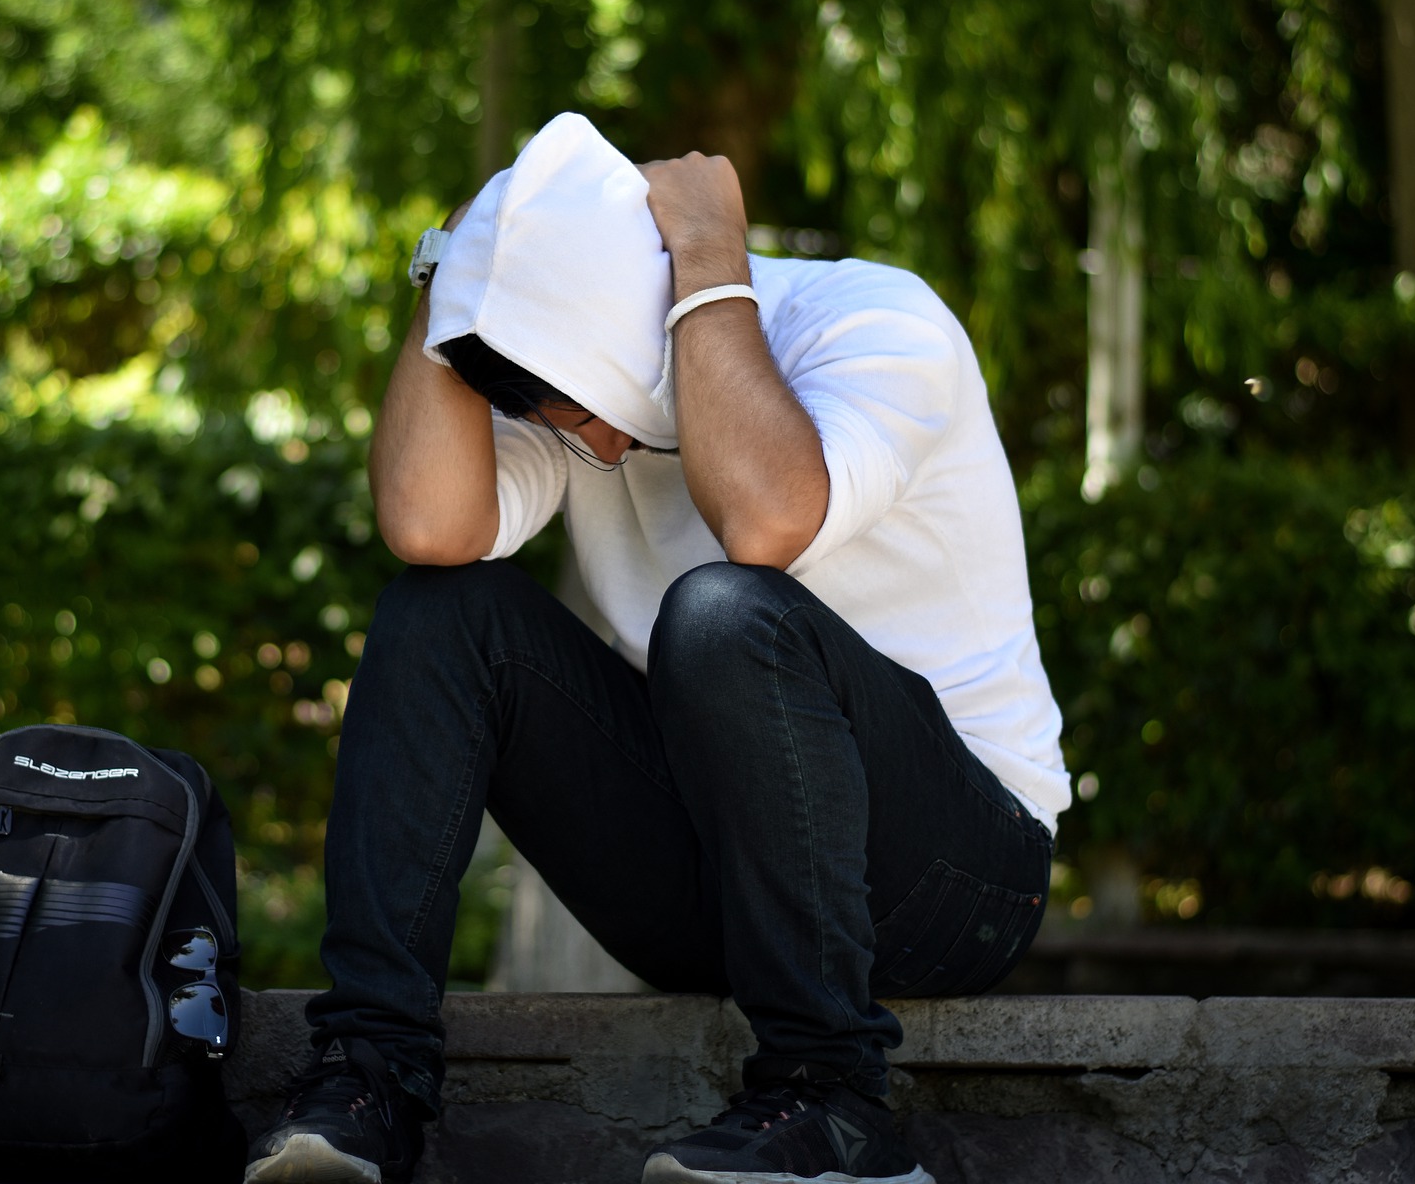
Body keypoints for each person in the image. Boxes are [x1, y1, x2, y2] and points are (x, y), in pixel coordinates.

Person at [243, 112, 1068, 1184]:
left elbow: (769, 522)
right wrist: (456, 279)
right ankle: (369, 1080)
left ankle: (836, 1108)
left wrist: (710, 260)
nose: (585, 437)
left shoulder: (878, 323)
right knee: (438, 611)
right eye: (551, 407)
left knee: (724, 611)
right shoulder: (582, 383)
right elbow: (429, 524)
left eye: (577, 402)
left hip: (957, 873)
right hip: (724, 879)